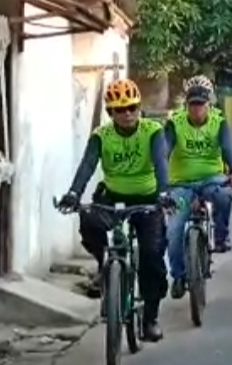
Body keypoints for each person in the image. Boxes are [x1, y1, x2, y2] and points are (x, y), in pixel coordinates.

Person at [58, 78, 172, 342]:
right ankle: (105, 265)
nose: (128, 114)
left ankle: (150, 318)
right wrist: (74, 193)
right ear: (111, 113)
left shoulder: (152, 131)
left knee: (152, 256)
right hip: (112, 198)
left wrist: (165, 193)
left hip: (147, 199)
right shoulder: (101, 136)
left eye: (132, 107)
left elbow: (160, 163)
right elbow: (87, 165)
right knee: (88, 220)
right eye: (120, 110)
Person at [164, 75, 232, 299]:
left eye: (201, 104)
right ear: (186, 105)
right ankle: (179, 276)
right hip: (181, 183)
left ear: (209, 104)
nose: (197, 109)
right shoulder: (175, 123)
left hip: (212, 178)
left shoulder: (219, 122)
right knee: (173, 231)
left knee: (223, 197)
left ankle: (221, 236)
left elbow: (228, 149)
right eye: (193, 104)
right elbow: (164, 151)